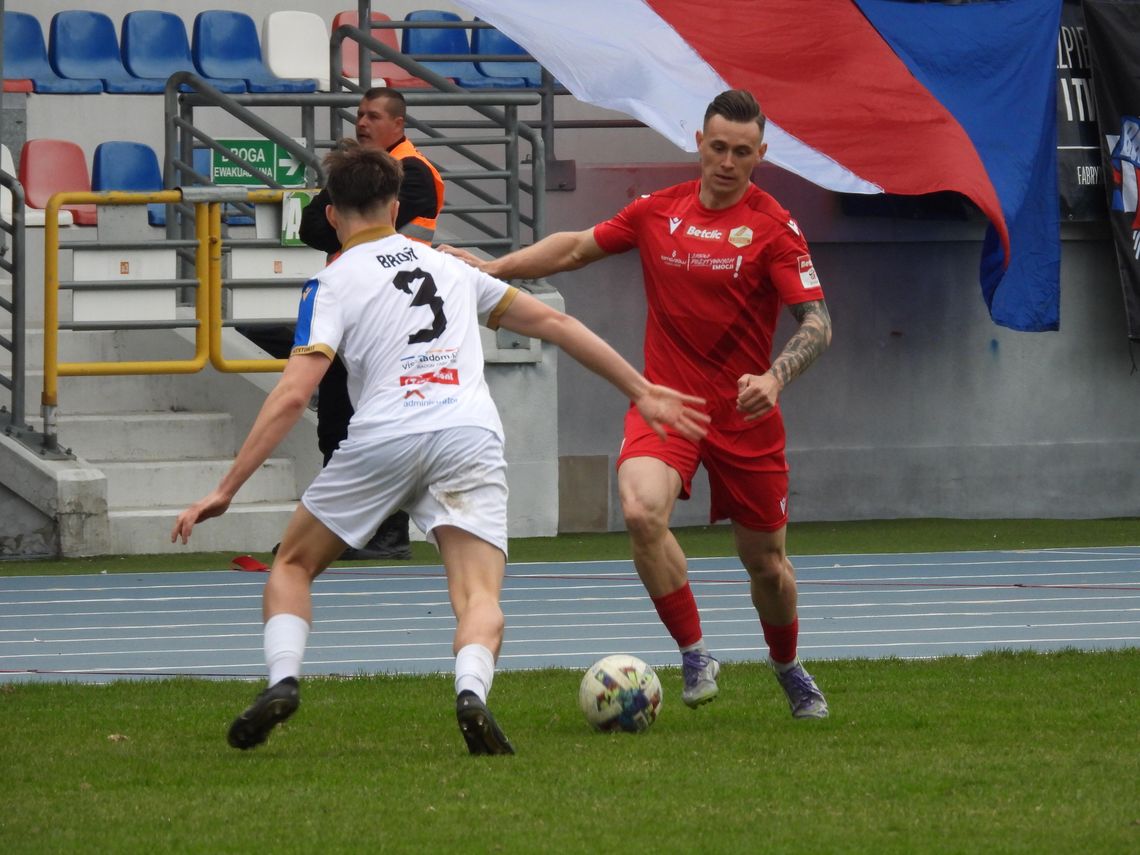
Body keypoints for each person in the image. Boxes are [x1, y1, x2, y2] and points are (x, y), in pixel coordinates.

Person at [171, 146, 709, 755]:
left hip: (384, 435)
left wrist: (226, 490)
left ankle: (284, 680)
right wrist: (642, 390)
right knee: (479, 596)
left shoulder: (329, 281)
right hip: (466, 434)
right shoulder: (449, 266)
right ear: (397, 207)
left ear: (330, 209)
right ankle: (471, 693)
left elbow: (295, 395)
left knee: (293, 565)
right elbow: (557, 325)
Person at [442, 89, 832, 719]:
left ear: (761, 154)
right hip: (666, 403)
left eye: (742, 151)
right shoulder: (658, 211)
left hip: (746, 416)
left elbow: (817, 322)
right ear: (698, 144)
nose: (727, 161)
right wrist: (494, 269)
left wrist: (776, 377)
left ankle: (787, 664)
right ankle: (695, 651)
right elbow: (573, 248)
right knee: (640, 509)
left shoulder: (774, 227)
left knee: (766, 565)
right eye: (717, 147)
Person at [300, 87, 447, 561]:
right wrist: (343, 187)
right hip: (354, 307)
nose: (362, 123)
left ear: (399, 125)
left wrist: (342, 205)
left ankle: (387, 533)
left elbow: (340, 228)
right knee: (337, 420)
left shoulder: (415, 172)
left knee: (375, 419)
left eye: (374, 116)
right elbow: (310, 227)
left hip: (392, 312)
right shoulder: (360, 173)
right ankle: (343, 531)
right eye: (359, 114)